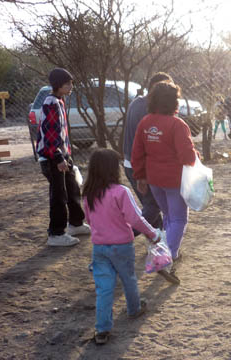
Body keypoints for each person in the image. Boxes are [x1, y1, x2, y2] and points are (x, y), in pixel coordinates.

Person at [82, 148, 161, 345]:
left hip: (99, 248)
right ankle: (134, 309)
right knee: (129, 279)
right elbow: (135, 219)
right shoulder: (121, 192)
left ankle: (102, 329)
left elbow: (89, 220)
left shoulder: (89, 194)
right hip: (122, 246)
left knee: (104, 288)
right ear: (113, 169)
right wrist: (153, 234)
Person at [131, 81, 199, 279]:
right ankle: (166, 257)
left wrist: (140, 176)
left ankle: (170, 252)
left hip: (154, 179)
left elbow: (137, 152)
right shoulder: (177, 124)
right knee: (179, 218)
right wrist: (196, 156)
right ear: (173, 102)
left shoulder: (145, 122)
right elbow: (187, 156)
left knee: (169, 216)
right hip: (174, 180)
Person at [36, 68, 90, 246]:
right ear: (58, 85)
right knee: (59, 195)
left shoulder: (59, 101)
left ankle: (75, 223)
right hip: (53, 157)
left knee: (72, 188)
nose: (71, 86)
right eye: (68, 83)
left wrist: (65, 156)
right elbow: (50, 134)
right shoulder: (51, 103)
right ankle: (56, 234)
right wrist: (59, 158)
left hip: (62, 155)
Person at [123, 72, 172, 232]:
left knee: (151, 205)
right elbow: (151, 142)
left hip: (130, 162)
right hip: (140, 165)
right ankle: (123, 235)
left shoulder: (136, 102)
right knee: (153, 206)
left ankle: (159, 241)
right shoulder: (150, 109)